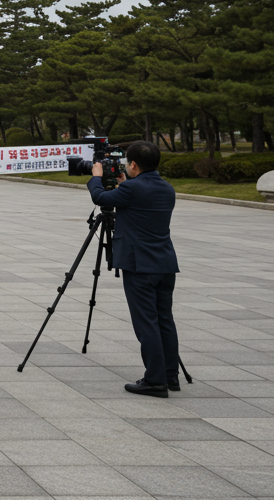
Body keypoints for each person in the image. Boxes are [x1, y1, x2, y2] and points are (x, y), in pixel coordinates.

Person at [89, 141, 180, 397]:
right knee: (164, 320)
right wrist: (125, 183)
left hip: (140, 265)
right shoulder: (167, 188)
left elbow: (100, 198)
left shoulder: (131, 188)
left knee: (146, 323)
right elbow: (140, 201)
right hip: (164, 263)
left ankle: (155, 380)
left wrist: (96, 176)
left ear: (133, 164)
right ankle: (170, 376)